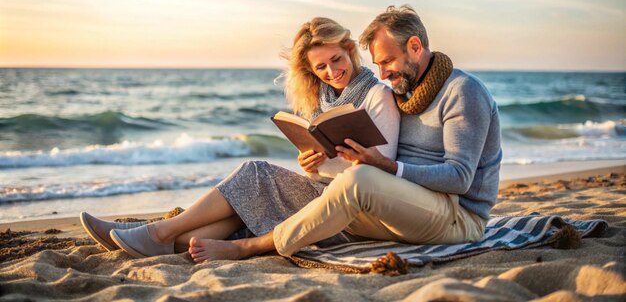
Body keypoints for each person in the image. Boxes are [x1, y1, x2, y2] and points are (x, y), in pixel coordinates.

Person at [174, 4, 502, 261]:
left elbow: (460, 178)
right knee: (270, 183)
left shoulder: (464, 91)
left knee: (357, 180)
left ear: (415, 46)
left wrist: (384, 166)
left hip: (457, 218)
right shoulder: (407, 91)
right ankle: (168, 236)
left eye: (388, 61)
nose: (383, 74)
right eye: (377, 65)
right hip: (403, 208)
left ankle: (253, 247)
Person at [79, 17, 400, 260]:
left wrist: (326, 165)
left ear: (348, 50)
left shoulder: (377, 96)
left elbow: (376, 172)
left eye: (337, 60)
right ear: (311, 71)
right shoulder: (325, 100)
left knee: (255, 174)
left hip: (348, 208)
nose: (331, 72)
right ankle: (149, 240)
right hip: (323, 192)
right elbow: (322, 170)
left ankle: (157, 232)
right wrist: (310, 164)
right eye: (321, 68)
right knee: (240, 210)